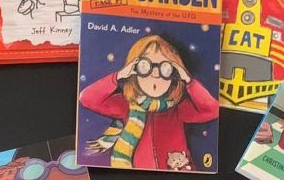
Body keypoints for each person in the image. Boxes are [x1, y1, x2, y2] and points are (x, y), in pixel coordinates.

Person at [81, 35, 219, 171]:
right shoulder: (126, 105)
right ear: (133, 70)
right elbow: (87, 98)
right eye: (145, 66)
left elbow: (212, 110)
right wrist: (119, 76)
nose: (155, 74)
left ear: (174, 74)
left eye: (165, 68)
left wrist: (189, 81)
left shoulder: (178, 109)